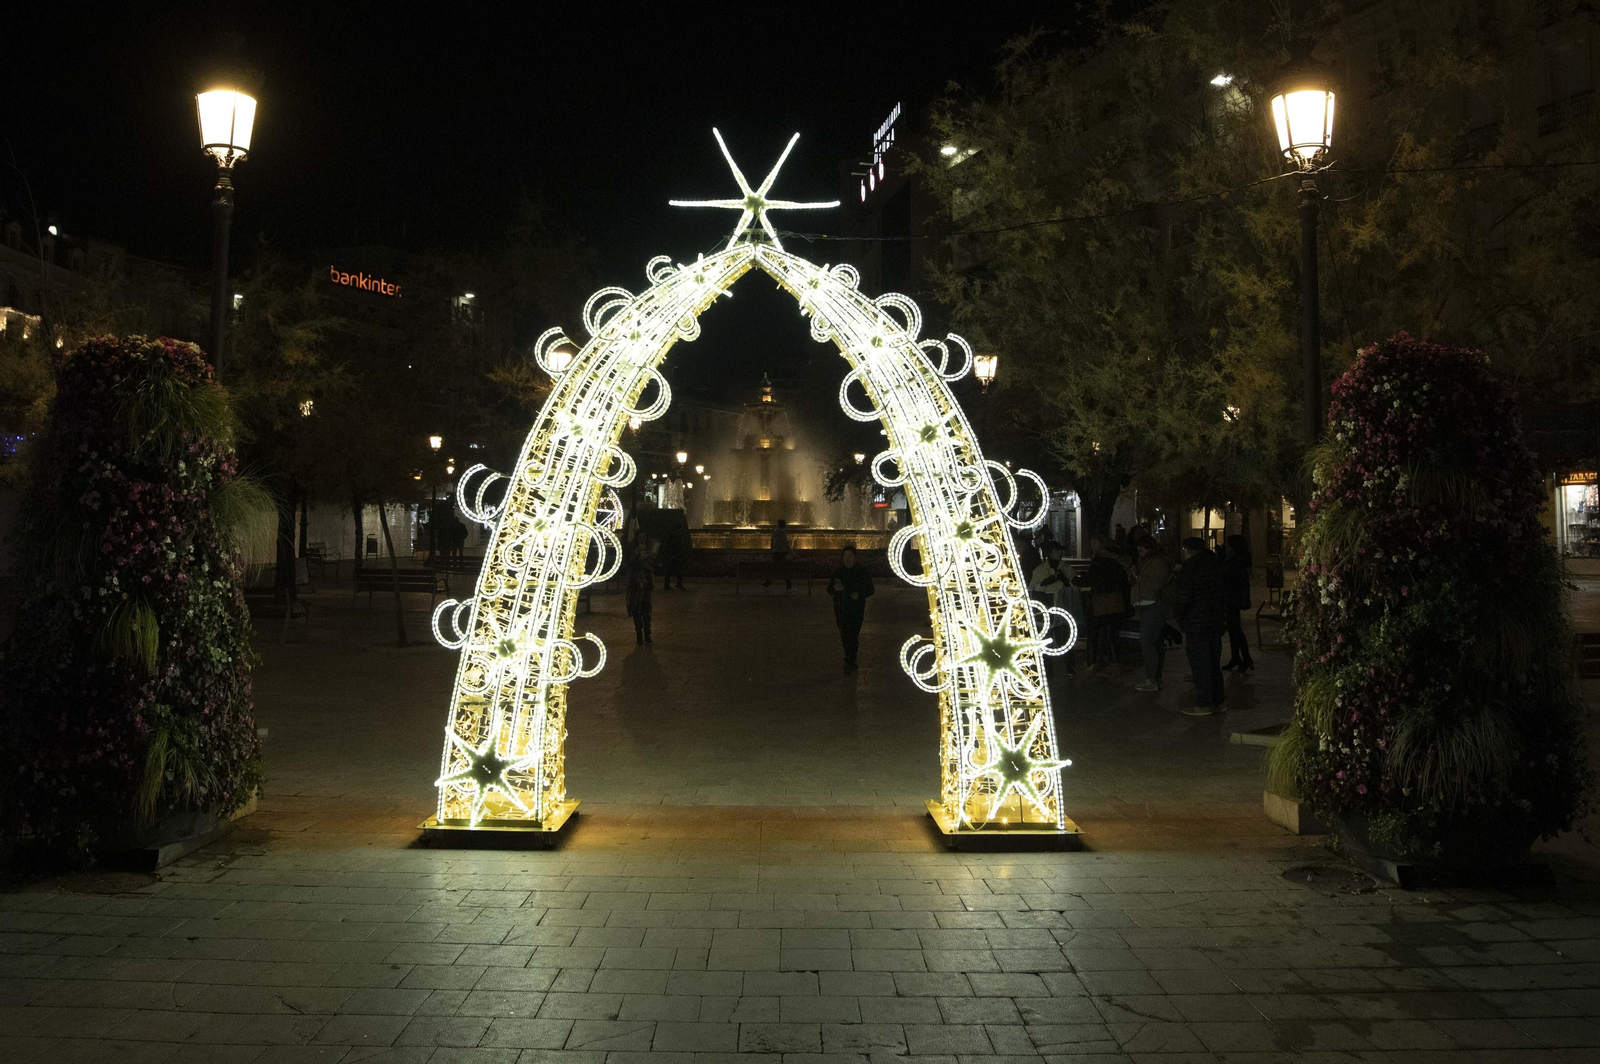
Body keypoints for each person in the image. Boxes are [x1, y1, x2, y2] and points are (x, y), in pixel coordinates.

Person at [1171, 536, 1227, 715]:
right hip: (1214, 620)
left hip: (1197, 622)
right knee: (1213, 661)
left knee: (1200, 663)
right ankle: (1218, 699)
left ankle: (1204, 703)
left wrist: (1179, 617)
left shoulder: (1189, 569)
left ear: (1187, 550)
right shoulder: (1214, 566)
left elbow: (1182, 598)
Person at [1074, 536, 1129, 674]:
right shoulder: (1118, 562)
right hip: (1116, 600)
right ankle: (1115, 662)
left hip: (1100, 600)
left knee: (1094, 632)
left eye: (1095, 543)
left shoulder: (1099, 562)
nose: (1093, 546)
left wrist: (1075, 580)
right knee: (1111, 633)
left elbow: (1090, 579)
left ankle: (1091, 662)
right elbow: (1124, 583)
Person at [1130, 536, 1175, 692]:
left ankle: (1152, 680)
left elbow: (1154, 584)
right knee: (1152, 643)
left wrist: (1136, 575)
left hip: (1153, 605)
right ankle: (1155, 678)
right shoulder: (1146, 562)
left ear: (1149, 548)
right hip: (1145, 604)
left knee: (1147, 643)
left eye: (1142, 548)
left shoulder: (1157, 562)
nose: (1139, 552)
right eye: (1138, 549)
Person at [1029, 541, 1076, 678]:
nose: (1060, 553)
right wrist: (1050, 580)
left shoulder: (1066, 568)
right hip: (1046, 608)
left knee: (1065, 639)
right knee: (1046, 640)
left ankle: (1070, 669)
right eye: (1057, 550)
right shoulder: (1040, 569)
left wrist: (1065, 581)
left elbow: (1073, 586)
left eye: (1060, 550)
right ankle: (1047, 671)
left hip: (1063, 608)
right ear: (1050, 553)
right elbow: (1034, 587)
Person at [826, 545, 875, 673]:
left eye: (851, 557)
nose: (848, 559)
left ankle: (850, 659)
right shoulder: (839, 572)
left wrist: (859, 594)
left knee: (853, 634)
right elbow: (829, 589)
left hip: (856, 608)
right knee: (844, 633)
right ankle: (849, 657)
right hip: (841, 608)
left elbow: (870, 590)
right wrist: (835, 589)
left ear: (855, 558)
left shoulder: (861, 572)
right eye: (845, 557)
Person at [1222, 533, 1255, 673]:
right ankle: (1239, 658)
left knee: (1235, 629)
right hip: (1233, 599)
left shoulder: (1236, 561)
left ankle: (1243, 658)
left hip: (1232, 599)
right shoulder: (1239, 559)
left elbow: (1233, 580)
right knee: (1234, 630)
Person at [625, 533, 656, 645]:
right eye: (640, 536)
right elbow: (626, 564)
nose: (642, 538)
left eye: (644, 536)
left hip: (646, 584)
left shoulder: (651, 549)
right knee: (636, 610)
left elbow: (655, 564)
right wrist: (635, 556)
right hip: (634, 584)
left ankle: (647, 634)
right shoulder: (631, 549)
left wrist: (648, 559)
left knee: (646, 610)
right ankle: (639, 635)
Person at [763, 518, 792, 590]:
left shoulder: (774, 532)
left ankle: (768, 581)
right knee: (785, 568)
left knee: (774, 568)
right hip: (782, 554)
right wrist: (793, 554)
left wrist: (772, 551)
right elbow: (786, 544)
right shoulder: (783, 532)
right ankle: (788, 584)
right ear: (784, 525)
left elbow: (772, 544)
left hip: (776, 554)